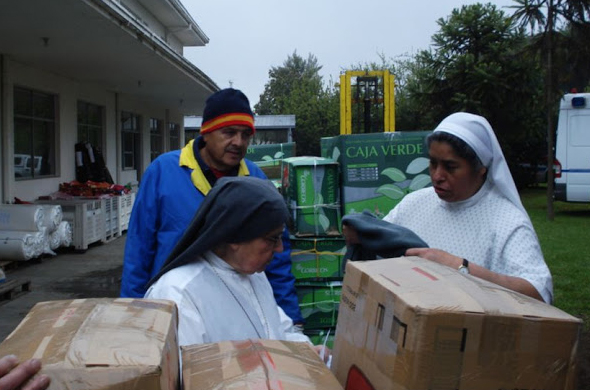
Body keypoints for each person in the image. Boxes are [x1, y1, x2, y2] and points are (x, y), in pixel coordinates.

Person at [120, 88, 304, 325]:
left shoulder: (256, 182)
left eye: (246, 134)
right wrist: (132, 316)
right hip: (172, 308)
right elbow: (139, 250)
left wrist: (291, 320)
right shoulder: (163, 172)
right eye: (229, 132)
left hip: (234, 313)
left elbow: (276, 256)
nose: (238, 142)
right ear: (206, 133)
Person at [343, 112, 553, 304]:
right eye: (433, 163)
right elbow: (382, 243)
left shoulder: (507, 221)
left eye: (450, 167)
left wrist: (458, 267)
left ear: (481, 169)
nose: (437, 175)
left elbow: (538, 293)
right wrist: (361, 234)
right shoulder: (414, 203)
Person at [145, 177, 327, 360]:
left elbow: (278, 332)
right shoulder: (178, 293)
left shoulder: (256, 275)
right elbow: (187, 375)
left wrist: (307, 351)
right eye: (272, 238)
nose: (280, 248)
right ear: (234, 236)